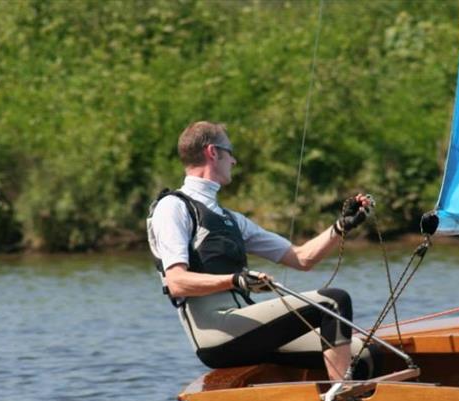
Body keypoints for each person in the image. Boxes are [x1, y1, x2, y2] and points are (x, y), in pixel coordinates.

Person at [146, 121, 372, 380]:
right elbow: (176, 282)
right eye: (230, 152)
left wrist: (341, 227)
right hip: (216, 335)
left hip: (242, 325)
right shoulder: (173, 208)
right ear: (213, 152)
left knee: (365, 355)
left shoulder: (231, 219)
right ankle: (342, 397)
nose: (234, 161)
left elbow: (302, 258)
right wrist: (236, 279)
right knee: (333, 302)